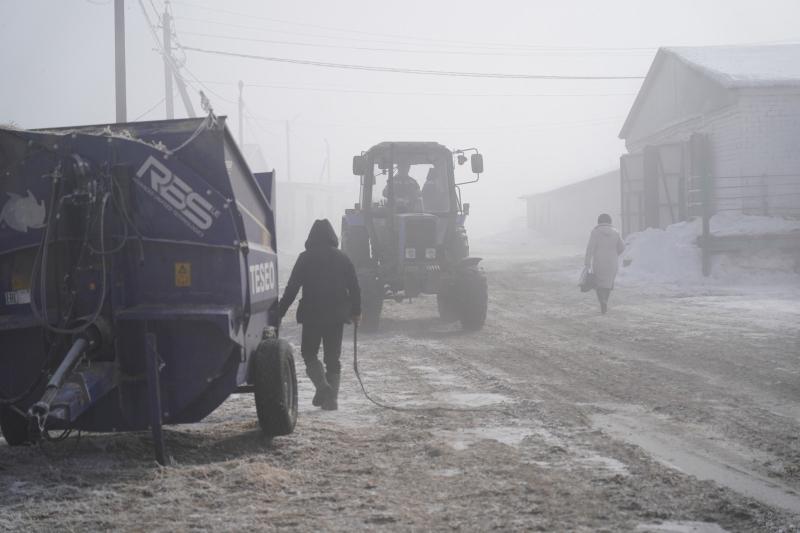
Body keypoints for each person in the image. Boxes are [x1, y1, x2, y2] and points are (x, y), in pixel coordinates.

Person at [276, 219, 361, 410]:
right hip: (336, 316)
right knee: (332, 358)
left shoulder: (305, 258)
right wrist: (357, 311)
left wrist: (279, 312)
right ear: (332, 236)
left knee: (309, 353)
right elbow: (355, 288)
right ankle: (332, 400)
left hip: (312, 314)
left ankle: (323, 387)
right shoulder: (343, 258)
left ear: (311, 237)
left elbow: (292, 288)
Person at [584, 213, 625, 314]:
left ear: (599, 221)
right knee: (608, 284)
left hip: (599, 262)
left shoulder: (595, 232)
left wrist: (587, 263)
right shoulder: (616, 233)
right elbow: (622, 247)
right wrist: (615, 254)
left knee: (598, 284)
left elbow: (590, 249)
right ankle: (605, 300)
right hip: (612, 262)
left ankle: (601, 301)